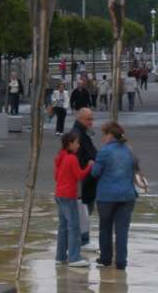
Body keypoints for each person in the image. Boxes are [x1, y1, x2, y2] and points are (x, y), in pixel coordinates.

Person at [91, 121, 137, 271]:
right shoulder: (129, 150)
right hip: (127, 195)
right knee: (122, 230)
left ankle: (105, 259)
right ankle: (121, 262)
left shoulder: (104, 152)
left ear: (110, 135)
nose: (103, 137)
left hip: (107, 196)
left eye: (104, 134)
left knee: (105, 228)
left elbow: (95, 173)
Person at [54, 131, 94, 267]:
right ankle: (74, 257)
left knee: (63, 227)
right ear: (70, 144)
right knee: (74, 227)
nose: (78, 145)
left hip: (59, 195)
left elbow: (56, 176)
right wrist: (89, 166)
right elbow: (79, 175)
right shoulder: (72, 158)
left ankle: (60, 256)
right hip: (69, 195)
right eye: (76, 143)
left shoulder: (61, 156)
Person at [72, 107, 99, 251]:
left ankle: (83, 240)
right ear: (80, 118)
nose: (91, 122)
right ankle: (82, 241)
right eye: (89, 119)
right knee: (82, 212)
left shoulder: (82, 133)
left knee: (84, 212)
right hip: (82, 181)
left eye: (92, 119)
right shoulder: (78, 134)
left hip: (86, 180)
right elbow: (77, 158)